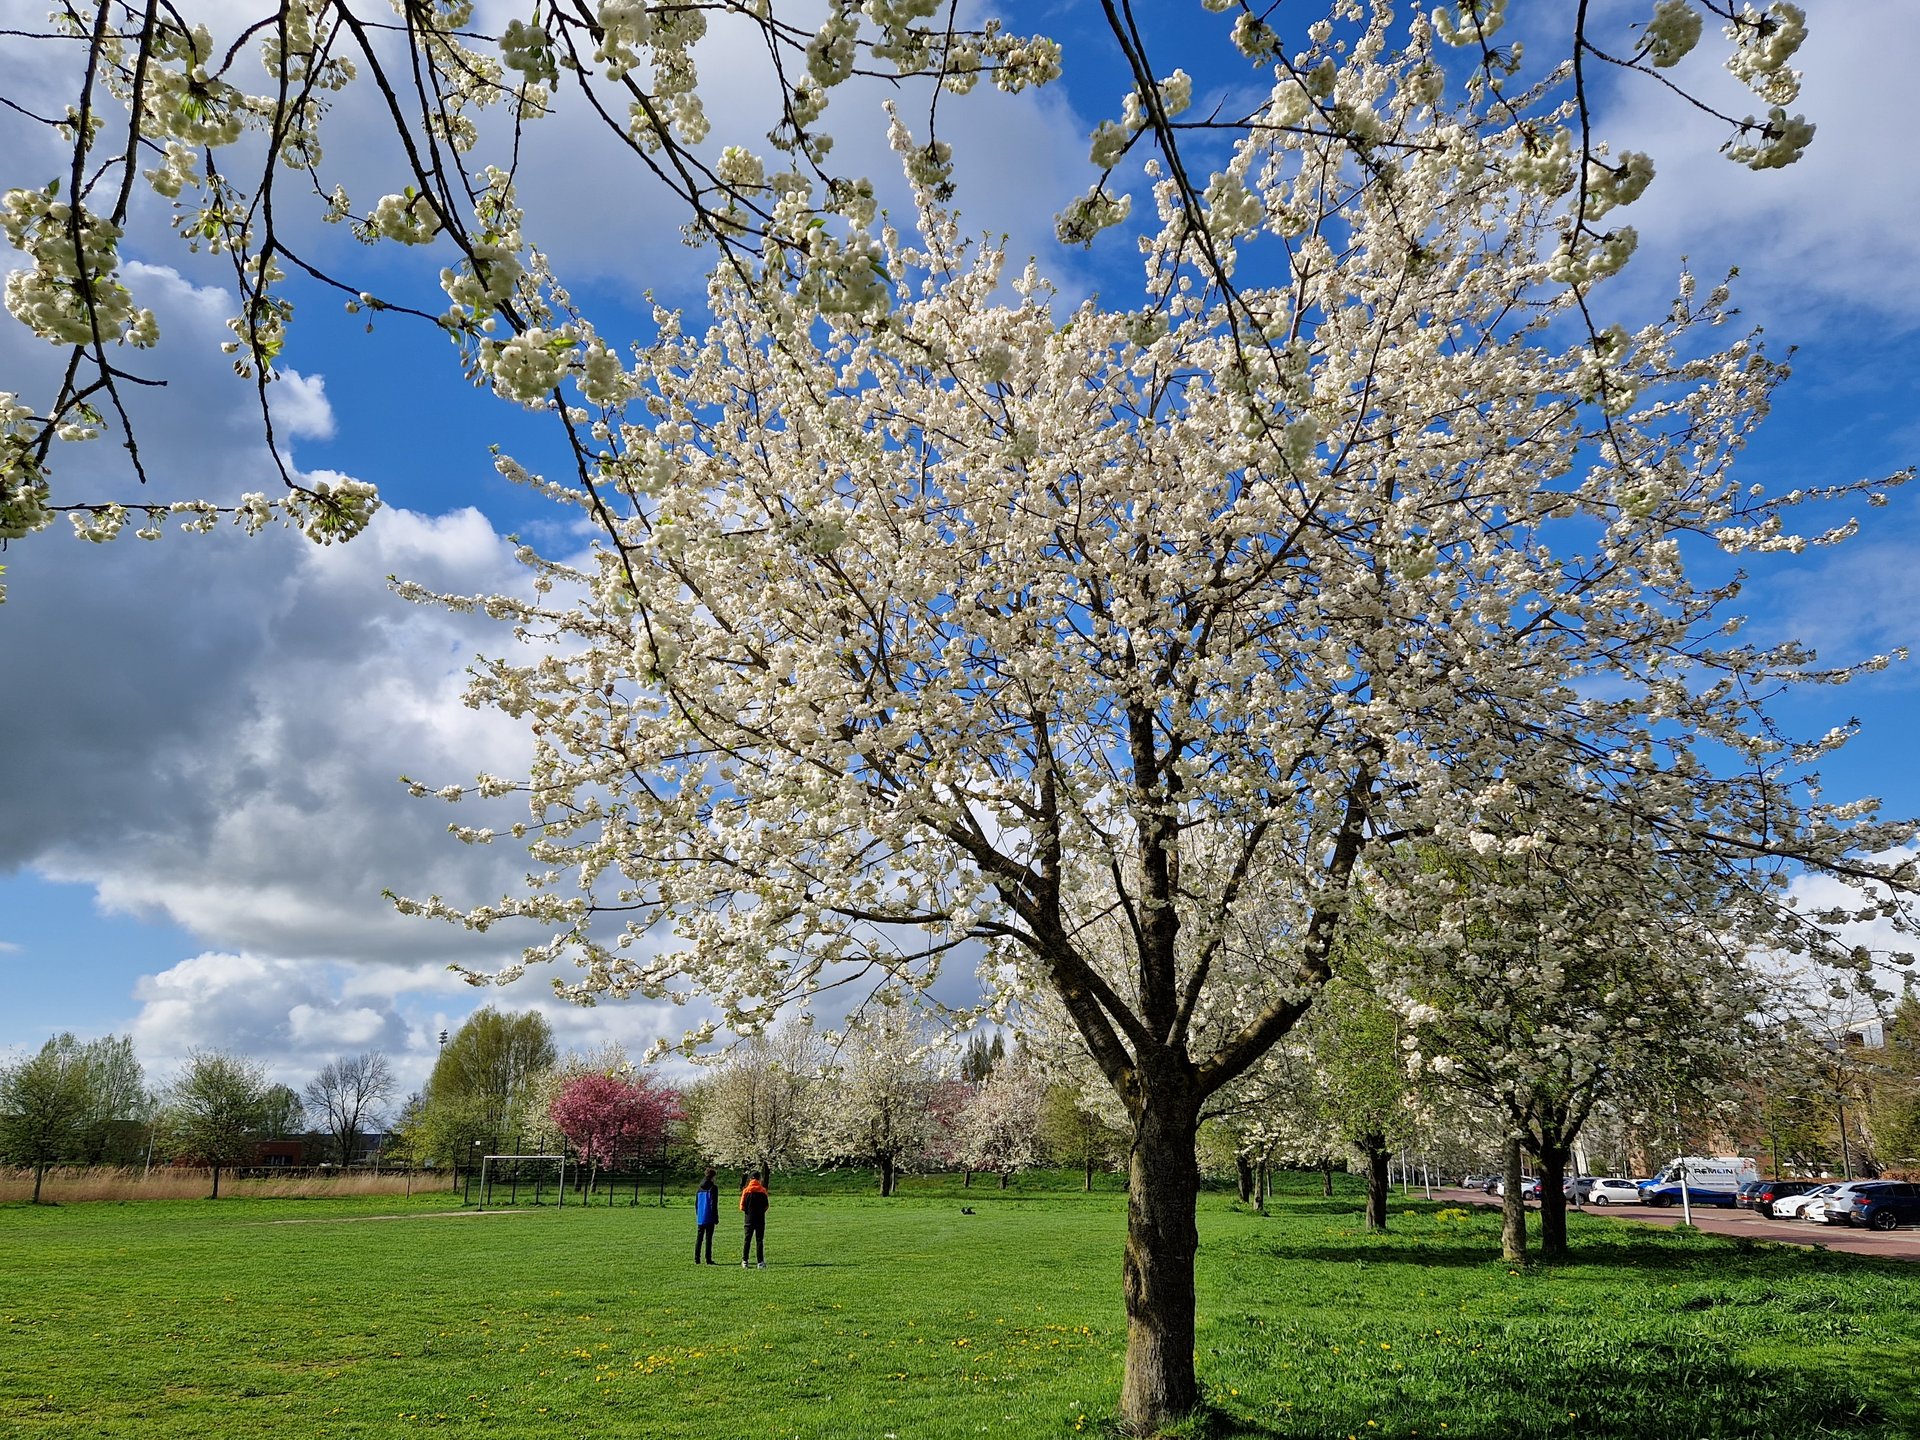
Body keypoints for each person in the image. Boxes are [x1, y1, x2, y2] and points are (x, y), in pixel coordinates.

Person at [740, 1169, 770, 1268]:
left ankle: (745, 1261)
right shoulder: (763, 1191)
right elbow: (766, 1206)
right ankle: (760, 1262)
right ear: (759, 1179)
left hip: (749, 1218)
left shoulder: (746, 1191)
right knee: (759, 1240)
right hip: (760, 1219)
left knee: (747, 1240)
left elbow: (742, 1206)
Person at [693, 1166, 719, 1264]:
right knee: (709, 1238)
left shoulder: (699, 1188)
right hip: (709, 1216)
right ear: (712, 1177)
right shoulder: (713, 1188)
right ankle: (708, 1259)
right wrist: (715, 1217)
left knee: (699, 1238)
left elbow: (696, 1203)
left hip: (701, 1216)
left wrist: (698, 1214)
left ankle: (697, 1258)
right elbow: (713, 1204)